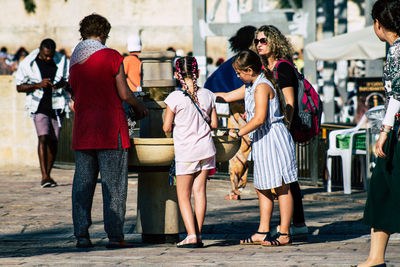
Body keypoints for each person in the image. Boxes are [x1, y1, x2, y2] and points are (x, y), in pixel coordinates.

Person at [68, 13, 148, 249]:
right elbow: (124, 93)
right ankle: (115, 236)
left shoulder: (74, 58)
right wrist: (139, 106)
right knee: (114, 186)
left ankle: (82, 235)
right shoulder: (113, 56)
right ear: (104, 33)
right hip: (111, 128)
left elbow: (74, 91)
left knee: (82, 185)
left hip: (83, 130)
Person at [216, 50, 297, 246]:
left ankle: (284, 233)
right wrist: (202, 95)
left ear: (249, 70)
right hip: (262, 141)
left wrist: (239, 131)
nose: (237, 76)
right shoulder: (251, 85)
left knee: (281, 187)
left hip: (273, 139)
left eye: (239, 72)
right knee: (262, 187)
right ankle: (262, 231)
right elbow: (226, 97)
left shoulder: (261, 86)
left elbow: (260, 118)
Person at [355, 1, 400, 266]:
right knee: (383, 189)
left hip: (396, 132)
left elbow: (397, 94)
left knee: (382, 190)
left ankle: (375, 258)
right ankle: (374, 257)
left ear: (378, 24)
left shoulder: (396, 52)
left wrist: (384, 130)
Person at [254, 24, 308, 237]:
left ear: (274, 42)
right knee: (286, 178)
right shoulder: (267, 68)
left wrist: (283, 129)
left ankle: (295, 223)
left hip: (282, 128)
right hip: (277, 129)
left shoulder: (282, 67)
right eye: (257, 41)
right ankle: (296, 222)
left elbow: (290, 103)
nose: (259, 44)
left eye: (263, 40)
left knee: (286, 178)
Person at [163, 56, 218, 248]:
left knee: (183, 196)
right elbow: (215, 124)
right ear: (198, 73)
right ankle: (199, 234)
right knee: (199, 192)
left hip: (187, 152)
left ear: (177, 75)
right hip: (206, 150)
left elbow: (166, 127)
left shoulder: (174, 98)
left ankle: (191, 235)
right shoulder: (209, 95)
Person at [205, 25, 257, 200]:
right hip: (254, 108)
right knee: (255, 148)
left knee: (238, 151)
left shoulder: (233, 62)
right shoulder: (256, 61)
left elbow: (213, 83)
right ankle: (270, 188)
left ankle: (236, 189)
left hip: (236, 110)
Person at [15, 38, 70, 188]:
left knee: (54, 140)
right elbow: (19, 87)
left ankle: (49, 174)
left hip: (57, 105)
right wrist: (38, 85)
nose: (48, 58)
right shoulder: (29, 63)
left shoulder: (61, 61)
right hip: (38, 105)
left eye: (50, 56)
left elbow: (67, 81)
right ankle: (44, 175)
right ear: (40, 50)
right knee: (43, 137)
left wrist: (59, 85)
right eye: (45, 55)